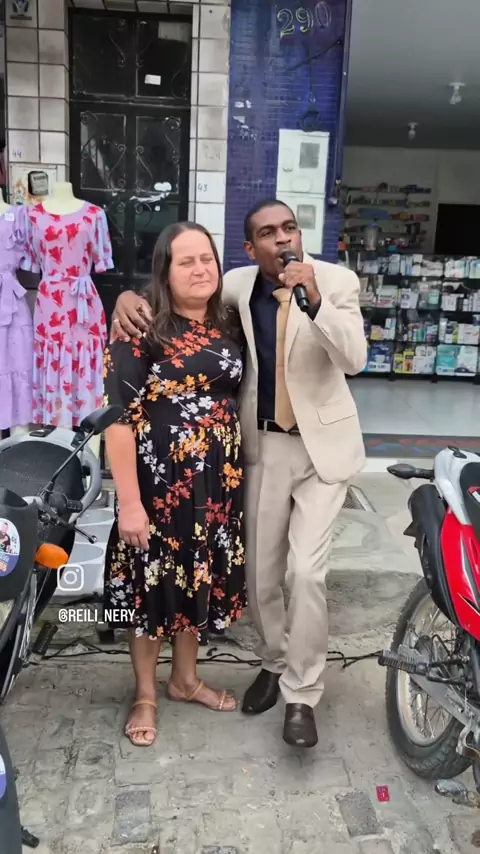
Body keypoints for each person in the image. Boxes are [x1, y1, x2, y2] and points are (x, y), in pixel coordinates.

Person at [111, 199, 367, 748]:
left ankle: (297, 692)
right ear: (250, 249)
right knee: (245, 577)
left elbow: (354, 359)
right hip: (226, 461)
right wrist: (125, 298)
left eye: (289, 228)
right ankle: (259, 665)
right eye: (267, 233)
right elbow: (122, 412)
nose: (282, 239)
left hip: (302, 455)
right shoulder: (227, 295)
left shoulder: (330, 284)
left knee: (301, 572)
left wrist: (314, 298)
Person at [103, 221, 247, 747]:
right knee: (149, 589)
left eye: (207, 258)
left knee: (195, 578)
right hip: (158, 484)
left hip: (217, 486)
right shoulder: (141, 327)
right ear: (164, 272)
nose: (200, 269)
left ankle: (185, 679)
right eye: (186, 261)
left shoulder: (228, 320)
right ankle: (145, 692)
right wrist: (129, 503)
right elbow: (118, 420)